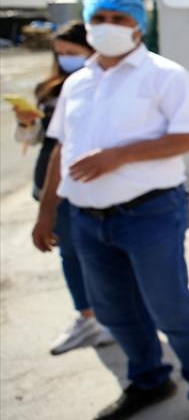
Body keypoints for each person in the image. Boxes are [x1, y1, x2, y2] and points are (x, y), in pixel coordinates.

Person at [34, 0, 189, 420]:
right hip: (87, 219)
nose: (108, 26)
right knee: (114, 310)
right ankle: (149, 380)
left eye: (119, 19)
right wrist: (47, 210)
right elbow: (60, 148)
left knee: (169, 307)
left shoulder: (166, 75)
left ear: (138, 26)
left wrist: (119, 156)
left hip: (150, 214)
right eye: (99, 18)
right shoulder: (78, 83)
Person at [19, 21, 116, 354]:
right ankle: (88, 316)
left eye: (71, 52)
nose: (64, 59)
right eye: (59, 53)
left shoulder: (100, 86)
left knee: (100, 255)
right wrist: (26, 124)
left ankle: (111, 317)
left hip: (87, 181)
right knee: (70, 253)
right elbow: (44, 141)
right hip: (52, 180)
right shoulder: (50, 89)